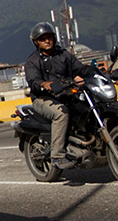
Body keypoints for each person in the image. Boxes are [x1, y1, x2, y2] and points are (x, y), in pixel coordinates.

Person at [25, 22, 93, 169]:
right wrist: (46, 85)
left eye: (49, 37)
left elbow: (80, 68)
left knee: (89, 107)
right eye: (42, 39)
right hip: (43, 99)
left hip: (65, 94)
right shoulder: (33, 61)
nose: (47, 41)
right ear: (36, 42)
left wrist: (98, 72)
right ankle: (57, 156)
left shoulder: (63, 55)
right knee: (61, 114)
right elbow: (34, 81)